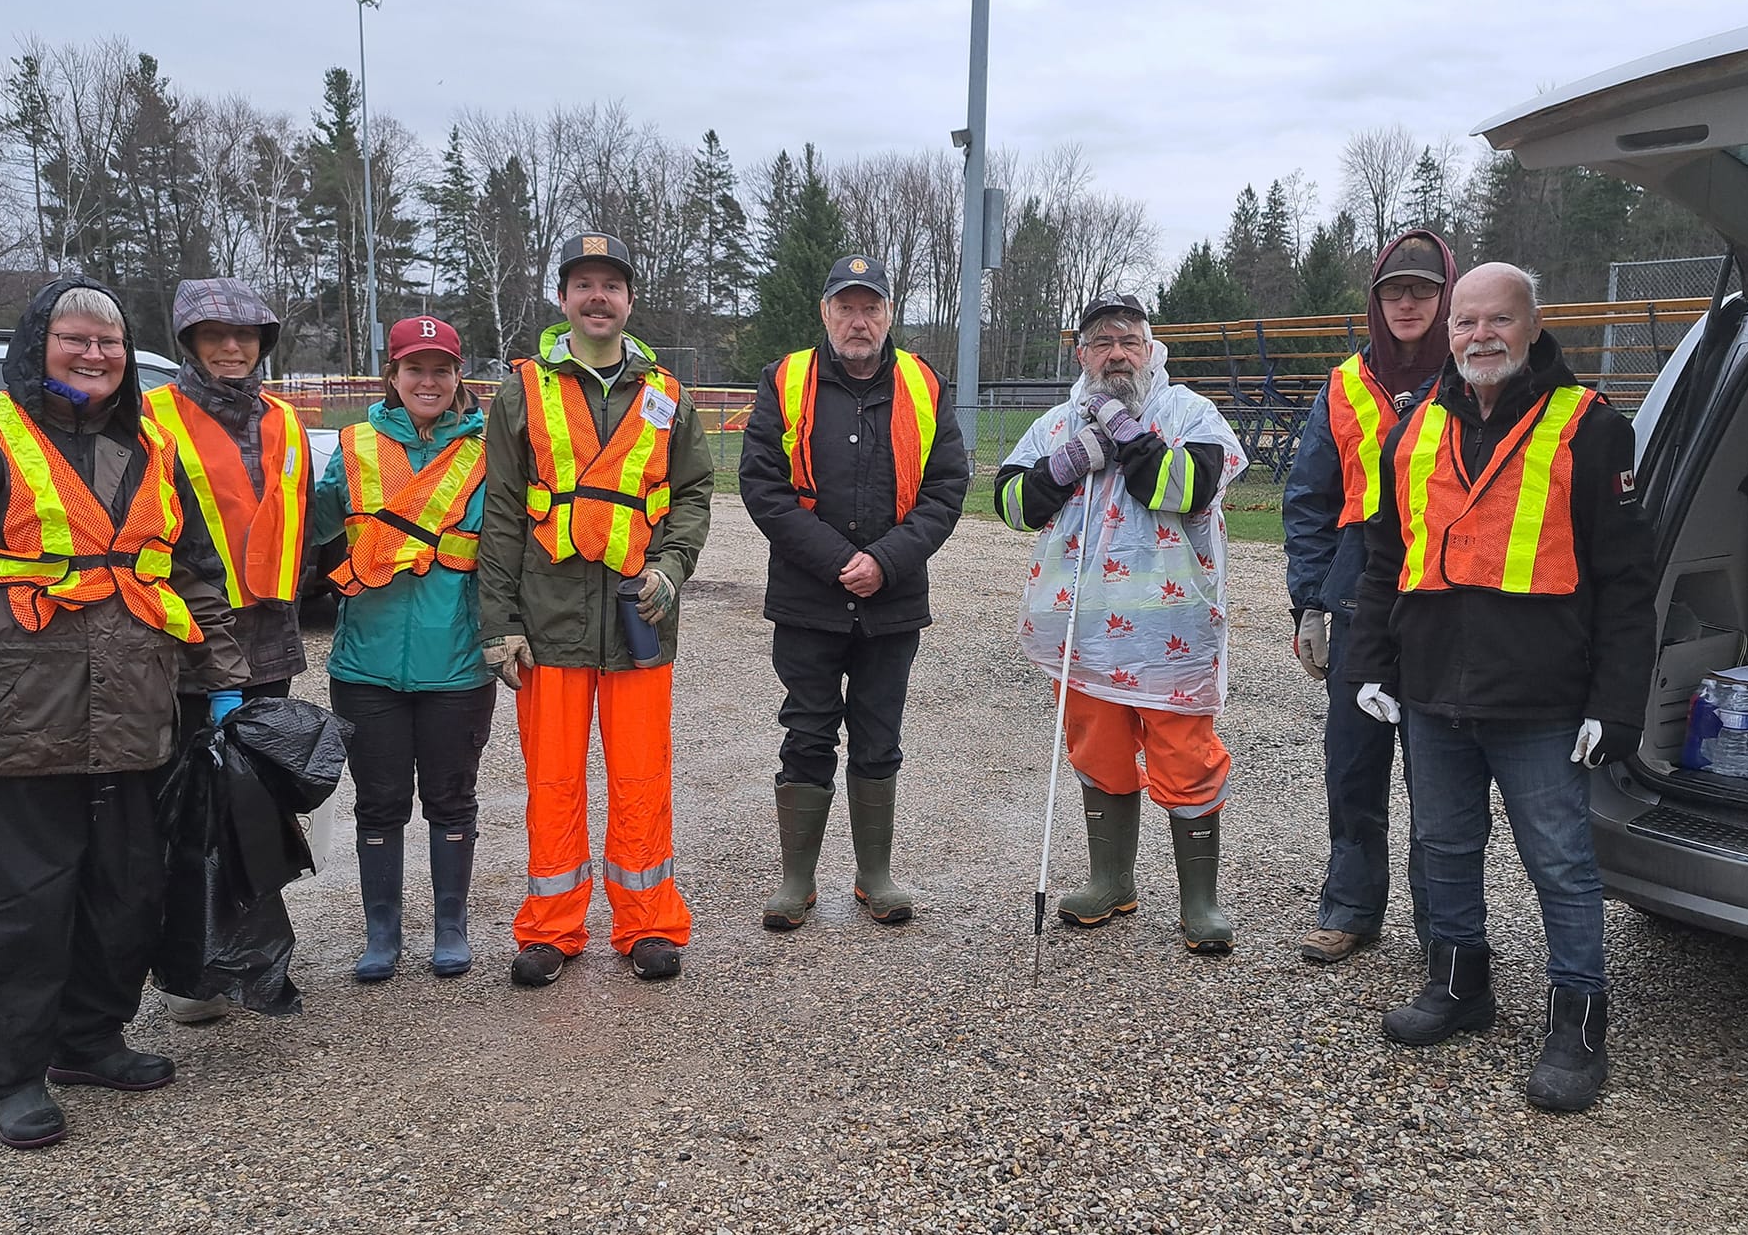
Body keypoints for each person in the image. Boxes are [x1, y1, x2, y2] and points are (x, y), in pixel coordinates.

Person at [0, 277, 248, 1150]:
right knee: (18, 906)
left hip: (133, 716)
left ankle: (89, 1039)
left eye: (109, 342)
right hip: (12, 717)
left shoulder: (152, 446)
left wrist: (223, 677)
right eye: (75, 337)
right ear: (36, 343)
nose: (95, 353)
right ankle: (13, 1072)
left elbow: (189, 571)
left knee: (126, 894)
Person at [1347, 262, 1654, 1113]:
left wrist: (1615, 704)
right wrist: (1371, 664)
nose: (1480, 335)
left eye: (1499, 319)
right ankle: (1459, 984)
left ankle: (1578, 1023)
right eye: (1465, 321)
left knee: (1561, 862)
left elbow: (1629, 583)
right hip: (1433, 691)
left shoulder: (1591, 428)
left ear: (1533, 325)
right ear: (1449, 330)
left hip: (1542, 700)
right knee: (1444, 847)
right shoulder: (1413, 427)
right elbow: (1384, 558)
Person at [477, 232, 713, 987]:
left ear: (630, 300)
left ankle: (647, 924)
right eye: (584, 284)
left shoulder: (667, 395)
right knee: (552, 782)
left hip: (639, 619)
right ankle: (551, 929)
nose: (598, 297)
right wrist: (499, 622)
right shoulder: (522, 392)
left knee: (642, 779)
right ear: (563, 298)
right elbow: (501, 513)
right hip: (547, 620)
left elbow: (693, 494)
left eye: (611, 285)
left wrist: (672, 568)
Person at [995, 295, 1248, 954]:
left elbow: (1185, 488)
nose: (1116, 354)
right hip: (1083, 637)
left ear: (1149, 349)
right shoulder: (1056, 424)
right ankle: (1111, 880)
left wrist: (1126, 434)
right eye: (1101, 343)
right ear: (1081, 355)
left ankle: (1199, 902)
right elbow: (1012, 504)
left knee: (1186, 760)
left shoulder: (1190, 413)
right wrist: (1068, 460)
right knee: (1098, 754)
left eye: (1128, 341)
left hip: (1172, 639)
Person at [738, 254, 968, 930]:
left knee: (879, 736)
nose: (858, 321)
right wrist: (841, 560)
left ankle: (875, 875)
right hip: (808, 599)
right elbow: (763, 487)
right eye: (846, 307)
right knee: (807, 733)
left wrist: (885, 562)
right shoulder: (784, 380)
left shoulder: (926, 385)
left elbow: (946, 488)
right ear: (826, 313)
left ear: (889, 314)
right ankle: (797, 881)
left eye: (871, 307)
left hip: (892, 603)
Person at [1283, 230, 1456, 966]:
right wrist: (1309, 604)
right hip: (1359, 604)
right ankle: (1351, 907)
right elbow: (1309, 501)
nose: (1407, 303)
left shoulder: (1472, 377)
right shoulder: (1345, 385)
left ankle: (1443, 925)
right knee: (1354, 766)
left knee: (1439, 775)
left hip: (1446, 605)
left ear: (1447, 295)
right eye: (1393, 291)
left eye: (1422, 289)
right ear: (1376, 302)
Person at [143, 276, 312, 1022]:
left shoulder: (285, 419)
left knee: (253, 805)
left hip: (268, 641)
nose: (233, 348)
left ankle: (254, 954)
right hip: (186, 641)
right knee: (188, 810)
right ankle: (192, 971)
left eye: (246, 335)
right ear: (189, 343)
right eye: (216, 335)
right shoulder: (151, 418)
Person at [311, 315, 495, 984]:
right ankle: (381, 934)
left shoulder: (486, 451)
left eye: (441, 369)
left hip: (457, 662)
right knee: (379, 800)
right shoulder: (355, 446)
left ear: (458, 377)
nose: (428, 381)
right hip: (367, 664)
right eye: (415, 368)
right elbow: (309, 526)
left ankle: (450, 926)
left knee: (451, 797)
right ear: (392, 375)